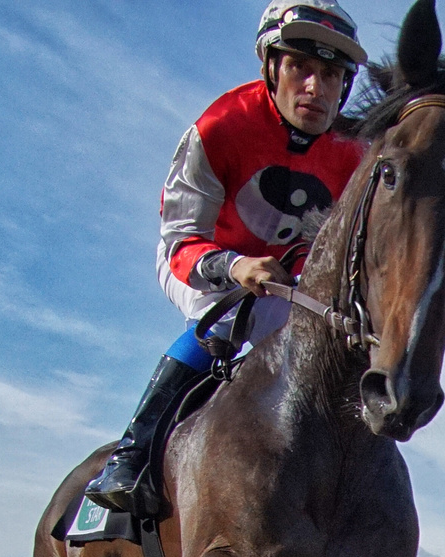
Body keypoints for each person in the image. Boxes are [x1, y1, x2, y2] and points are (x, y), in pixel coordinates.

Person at [85, 2, 369, 512]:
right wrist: (236, 266)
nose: (315, 89)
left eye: (330, 74)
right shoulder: (219, 128)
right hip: (204, 263)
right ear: (270, 66)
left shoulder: (353, 153)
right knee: (230, 317)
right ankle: (130, 456)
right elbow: (179, 240)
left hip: (288, 275)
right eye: (301, 68)